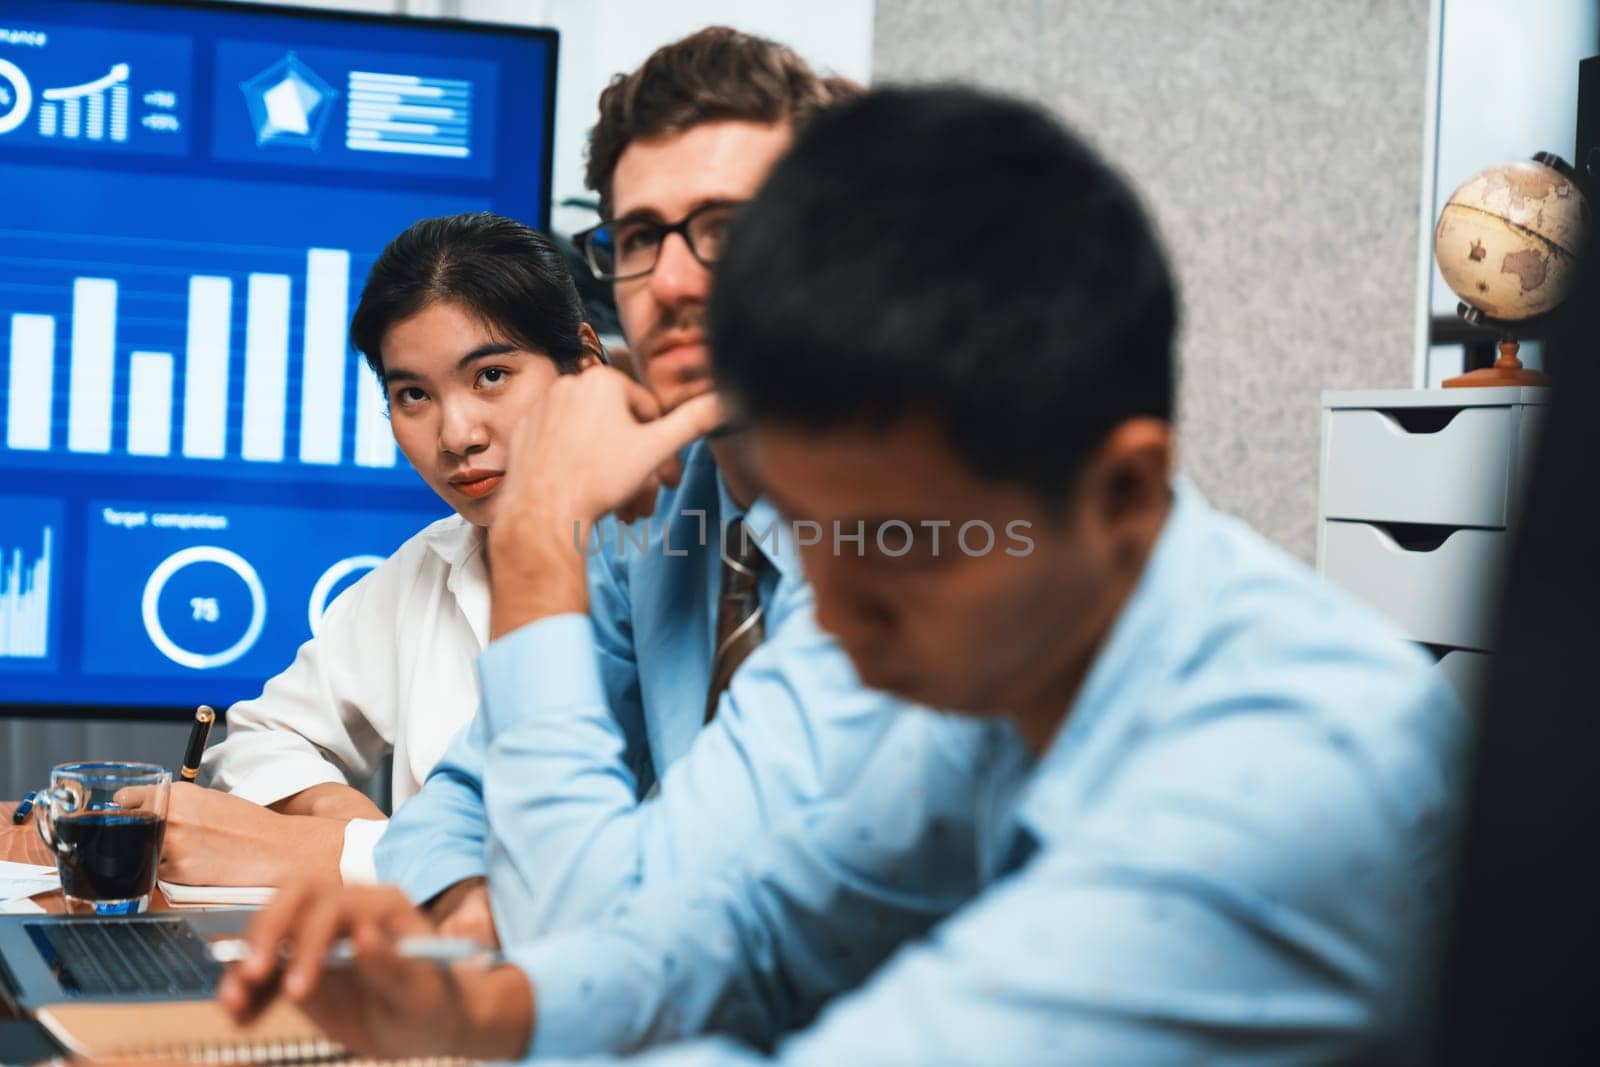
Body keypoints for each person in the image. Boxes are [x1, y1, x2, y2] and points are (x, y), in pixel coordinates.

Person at [221, 86, 1470, 1064]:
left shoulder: (1275, 791)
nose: (845, 635)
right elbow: (754, 939)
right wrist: (472, 1007)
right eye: (806, 533)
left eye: (898, 547)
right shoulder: (992, 651)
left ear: (1125, 495)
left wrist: (496, 1009)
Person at [371, 27, 891, 947]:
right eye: (643, 236)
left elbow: (682, 904)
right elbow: (460, 801)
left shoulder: (913, 514)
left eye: (728, 231)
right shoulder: (670, 498)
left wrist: (538, 532)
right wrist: (471, 909)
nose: (675, 282)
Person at [128, 213, 605, 887]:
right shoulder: (432, 563)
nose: (457, 433)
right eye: (413, 394)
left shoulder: (685, 559)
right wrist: (364, 831)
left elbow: (579, 864)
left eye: (492, 374)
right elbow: (264, 738)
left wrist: (328, 853)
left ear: (585, 364)